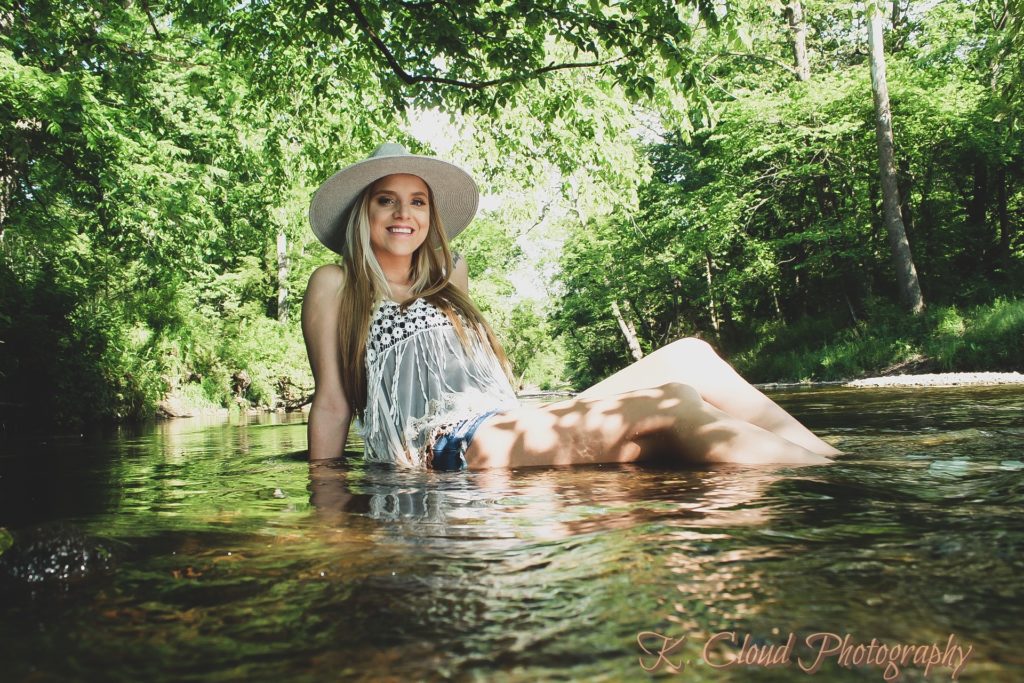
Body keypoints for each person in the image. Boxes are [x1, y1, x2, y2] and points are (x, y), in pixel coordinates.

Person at [302, 143, 840, 470]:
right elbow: (331, 402)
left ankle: (835, 465)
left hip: (506, 420)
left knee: (691, 358)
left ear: (430, 215)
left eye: (417, 201)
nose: (404, 214)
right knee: (673, 405)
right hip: (444, 444)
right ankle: (821, 485)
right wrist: (327, 499)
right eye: (387, 200)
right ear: (364, 212)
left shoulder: (449, 274)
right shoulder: (335, 284)